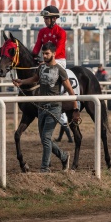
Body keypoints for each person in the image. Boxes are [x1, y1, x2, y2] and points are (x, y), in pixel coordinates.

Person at [12, 42, 80, 173]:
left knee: (46, 138)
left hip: (54, 108)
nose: (44, 55)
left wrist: (76, 110)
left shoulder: (60, 70)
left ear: (54, 54)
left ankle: (45, 168)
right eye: (43, 53)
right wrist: (22, 82)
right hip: (41, 108)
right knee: (45, 139)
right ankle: (64, 156)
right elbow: (35, 79)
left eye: (47, 53)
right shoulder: (41, 68)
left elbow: (71, 91)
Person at [32, 5, 73, 143]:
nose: (45, 20)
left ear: (54, 19)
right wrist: (33, 56)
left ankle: (63, 98)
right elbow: (37, 46)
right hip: (46, 59)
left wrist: (50, 62)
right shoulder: (42, 32)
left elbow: (59, 48)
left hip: (59, 60)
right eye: (44, 18)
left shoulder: (61, 32)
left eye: (47, 18)